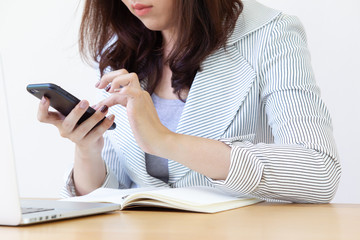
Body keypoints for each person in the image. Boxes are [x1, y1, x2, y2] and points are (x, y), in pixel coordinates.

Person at [37, 0, 341, 202]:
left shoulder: (270, 34)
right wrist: (88, 149)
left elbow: (319, 171)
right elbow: (111, 194)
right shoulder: (123, 50)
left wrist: (165, 141)